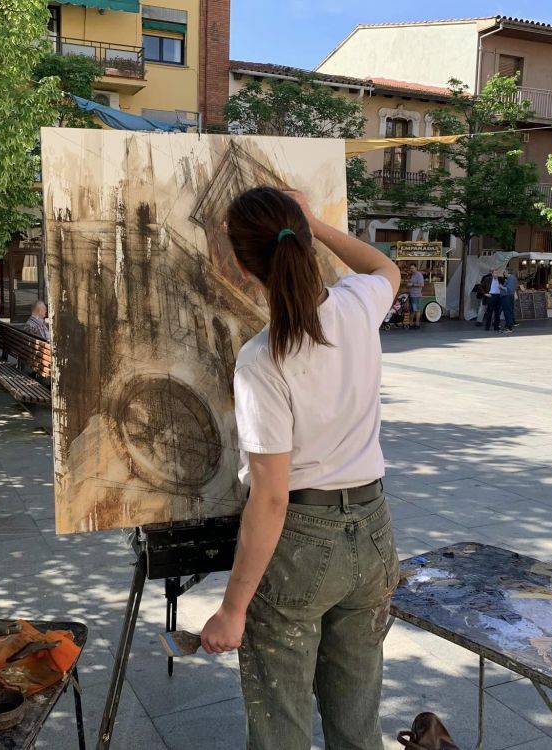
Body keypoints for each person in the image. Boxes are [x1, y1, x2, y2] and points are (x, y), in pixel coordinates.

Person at [200, 186, 402, 750]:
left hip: (302, 545)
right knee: (357, 722)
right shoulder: (359, 305)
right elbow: (386, 266)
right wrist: (318, 224)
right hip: (373, 528)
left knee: (280, 728)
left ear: (243, 267)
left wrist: (231, 610)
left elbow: (270, 497)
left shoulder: (264, 359)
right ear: (305, 245)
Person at [406, 263, 424, 329]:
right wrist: (408, 284)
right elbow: (410, 284)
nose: (411, 269)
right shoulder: (412, 275)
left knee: (417, 310)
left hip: (417, 295)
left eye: (412, 268)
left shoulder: (419, 275)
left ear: (416, 268)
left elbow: (422, 284)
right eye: (410, 268)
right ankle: (411, 324)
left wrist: (412, 284)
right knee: (412, 310)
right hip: (412, 295)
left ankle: (417, 324)